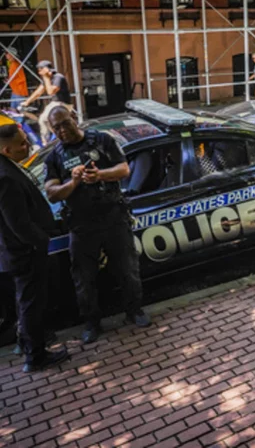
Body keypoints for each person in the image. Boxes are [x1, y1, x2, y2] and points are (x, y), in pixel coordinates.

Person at [44, 106, 150, 344]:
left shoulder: (101, 140)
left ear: (74, 118)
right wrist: (73, 182)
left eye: (64, 123)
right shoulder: (55, 157)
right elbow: (51, 193)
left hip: (113, 217)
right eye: (56, 128)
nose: (61, 130)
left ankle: (135, 311)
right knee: (84, 279)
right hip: (81, 225)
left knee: (127, 269)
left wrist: (99, 175)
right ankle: (91, 323)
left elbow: (124, 169)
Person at [0, 116, 69, 372]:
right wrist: (41, 243)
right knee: (31, 303)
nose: (28, 146)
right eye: (21, 144)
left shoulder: (7, 166)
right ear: (6, 150)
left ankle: (28, 344)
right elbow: (18, 224)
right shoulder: (5, 177)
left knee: (26, 302)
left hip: (20, 251)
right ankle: (36, 356)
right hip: (24, 253)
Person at [18, 61, 72, 145]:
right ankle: (56, 138)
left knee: (44, 119)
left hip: (62, 104)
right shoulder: (47, 79)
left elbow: (51, 92)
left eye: (41, 70)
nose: (39, 73)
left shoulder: (58, 77)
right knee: (43, 120)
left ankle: (46, 143)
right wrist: (27, 102)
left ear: (47, 69)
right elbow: (39, 92)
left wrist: (46, 78)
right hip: (55, 103)